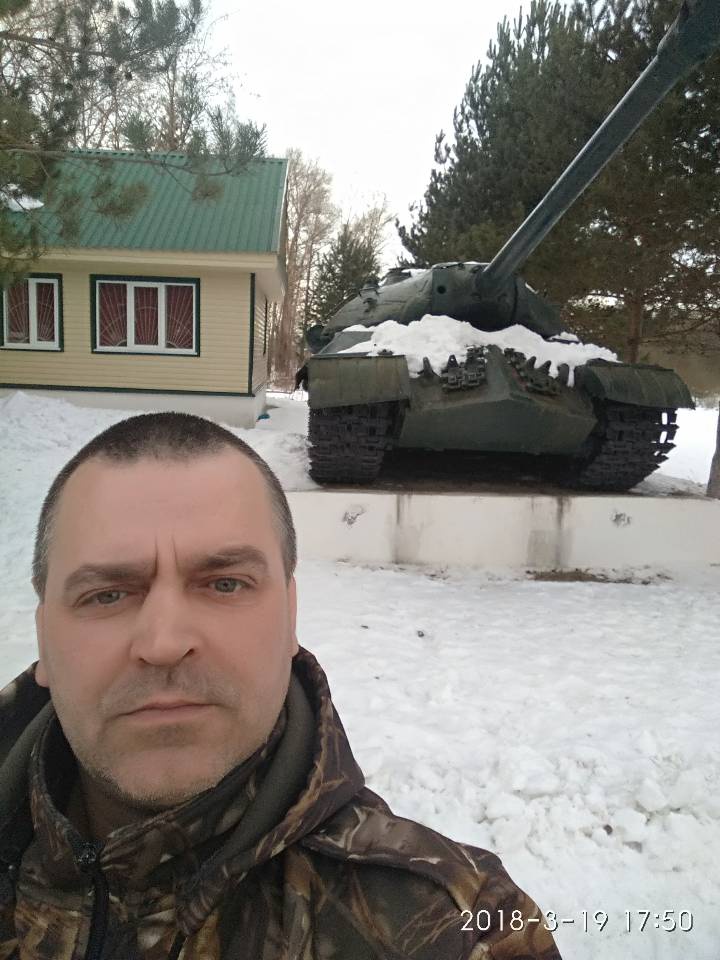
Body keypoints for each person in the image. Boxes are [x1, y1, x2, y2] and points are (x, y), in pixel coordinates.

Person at [0, 412, 561, 960]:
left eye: (225, 584)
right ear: (43, 635)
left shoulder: (459, 926)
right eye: (107, 594)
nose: (164, 642)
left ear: (290, 617)